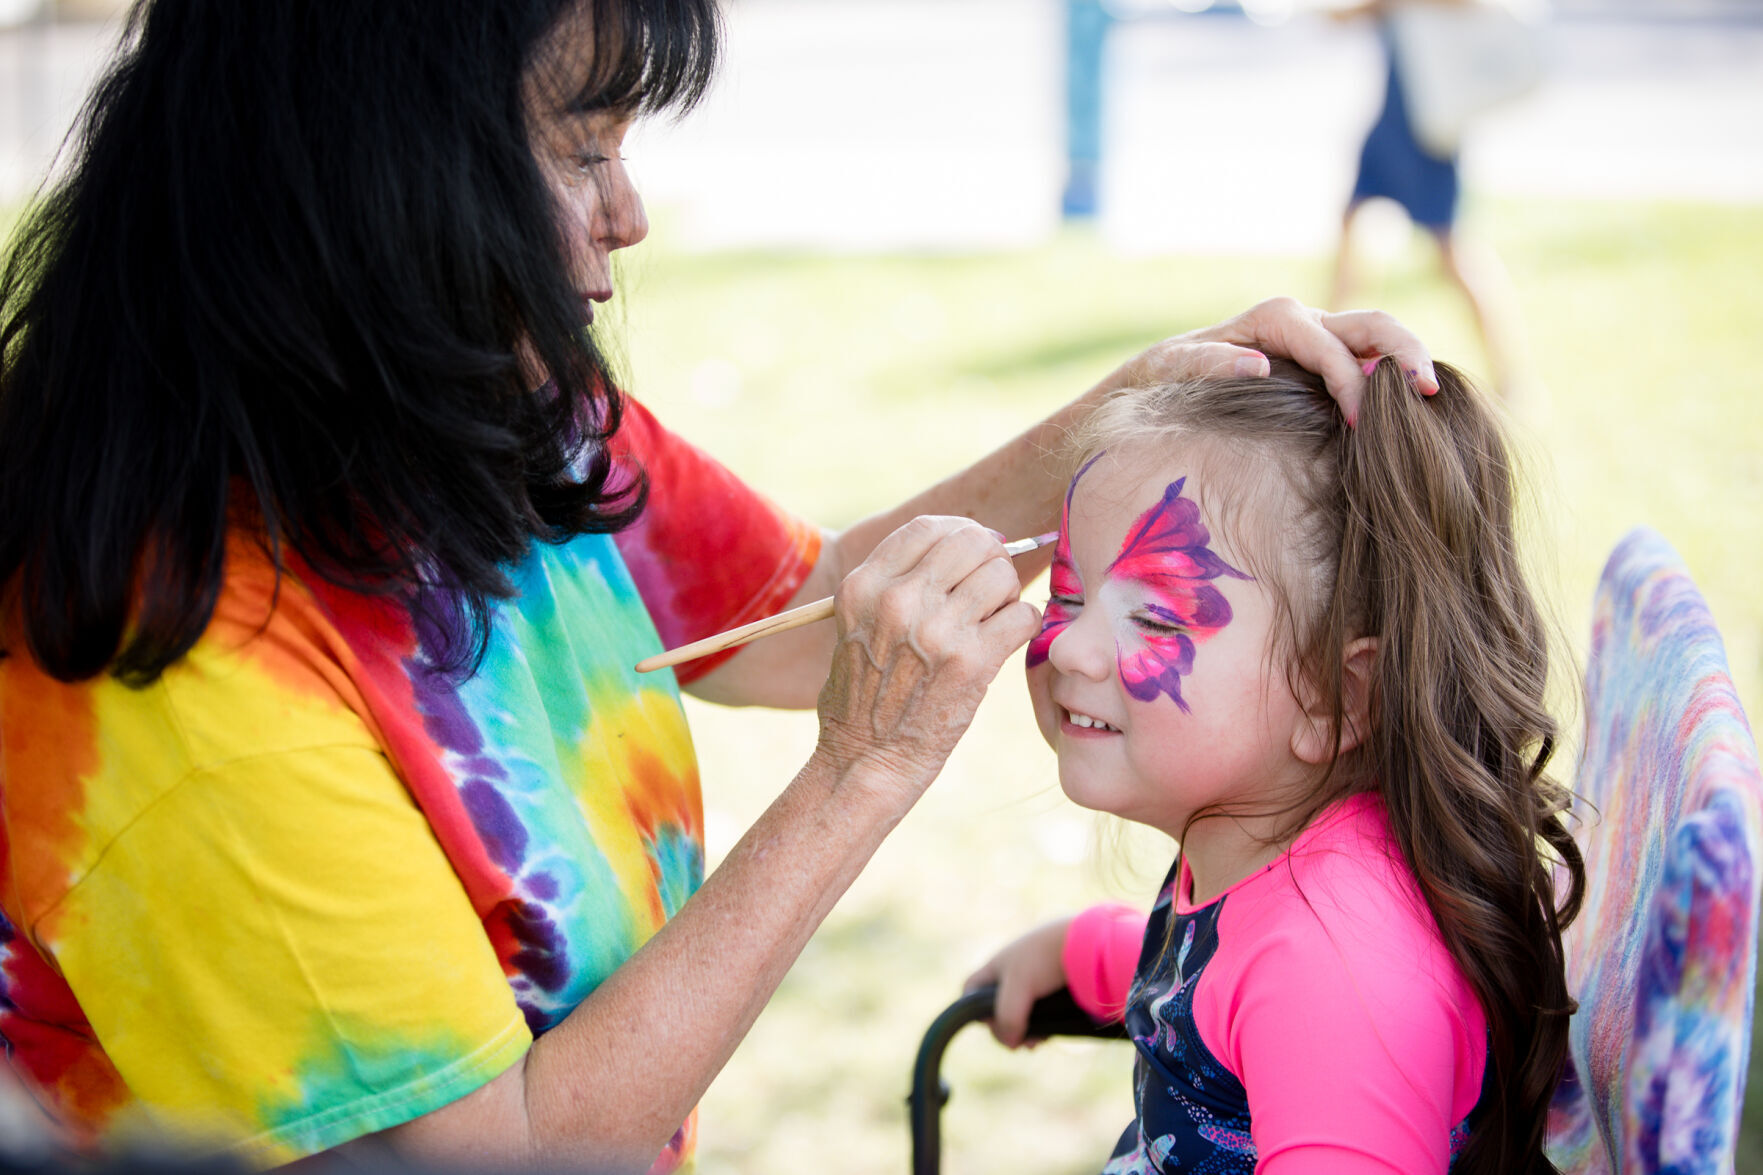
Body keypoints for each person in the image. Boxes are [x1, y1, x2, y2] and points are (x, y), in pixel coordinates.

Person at [0, 1, 1438, 1171]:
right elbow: (492, 1156)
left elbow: (793, 607)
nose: (628, 213)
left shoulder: (479, 402)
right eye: (579, 150)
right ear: (380, 171)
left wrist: (1126, 412)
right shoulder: (169, 667)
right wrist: (861, 774)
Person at [967, 359, 1584, 1173]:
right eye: (1071, 594)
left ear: (1337, 697)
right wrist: (1086, 953)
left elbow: (1292, 990)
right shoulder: (1270, 856)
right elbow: (1226, 976)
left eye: (1151, 614)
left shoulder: (1337, 971)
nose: (1071, 645)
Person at [1329, 0, 1529, 401]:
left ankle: (1512, 378)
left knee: (1452, 253)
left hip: (1430, 128)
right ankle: (1329, 350)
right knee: (1352, 228)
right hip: (1392, 120)